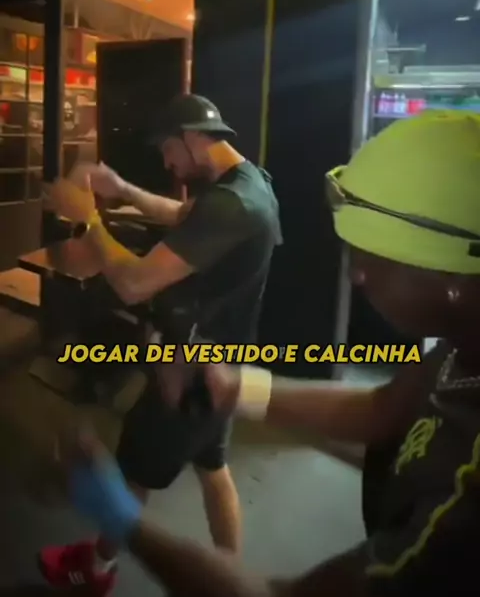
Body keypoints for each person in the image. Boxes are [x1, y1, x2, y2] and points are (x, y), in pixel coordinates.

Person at [65, 110, 480, 595]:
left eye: (375, 259)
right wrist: (236, 387)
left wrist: (121, 517)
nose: (357, 275)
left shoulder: (461, 504)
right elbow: (383, 408)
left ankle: (100, 564)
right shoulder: (459, 349)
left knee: (154, 470)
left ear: (453, 280)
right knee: (213, 470)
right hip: (210, 358)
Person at [41, 93, 282, 594]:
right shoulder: (248, 184)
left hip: (187, 372)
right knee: (213, 468)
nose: (167, 162)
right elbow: (184, 215)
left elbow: (133, 283)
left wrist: (88, 218)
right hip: (224, 364)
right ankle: (230, 580)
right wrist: (124, 189)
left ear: (192, 138)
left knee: (132, 472)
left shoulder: (232, 204)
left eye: (168, 150)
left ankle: (97, 569)